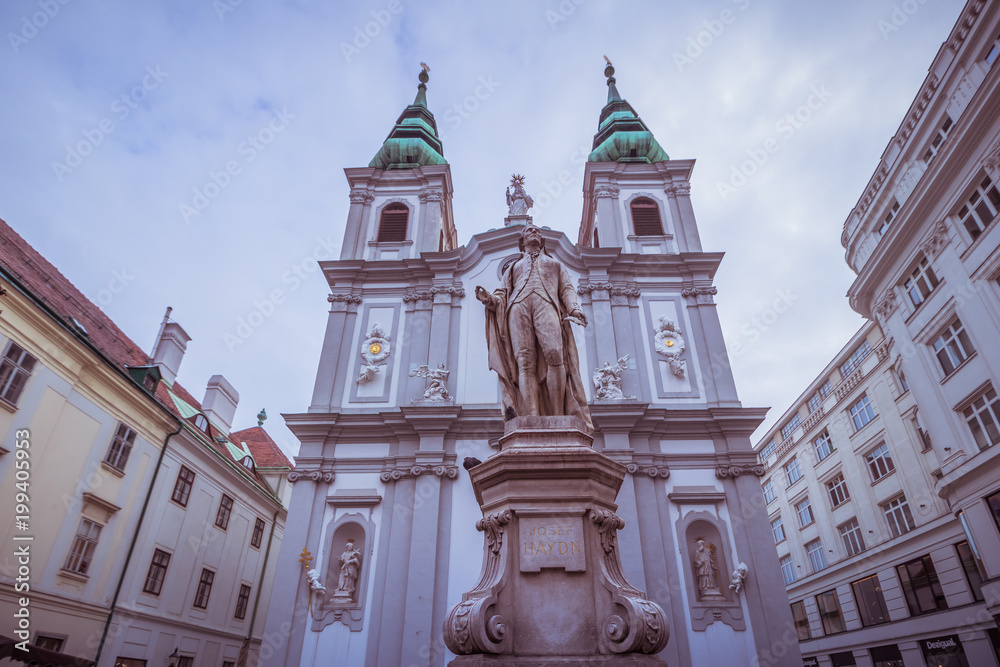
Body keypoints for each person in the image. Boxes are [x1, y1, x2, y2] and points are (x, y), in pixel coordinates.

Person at [475, 225, 592, 429]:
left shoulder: (555, 264)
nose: (534, 233)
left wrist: (573, 309)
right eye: (530, 231)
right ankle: (532, 415)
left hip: (546, 304)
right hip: (517, 307)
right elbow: (501, 295)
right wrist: (489, 300)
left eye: (537, 231)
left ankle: (558, 415)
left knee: (555, 354)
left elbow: (566, 288)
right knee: (524, 361)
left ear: (543, 240)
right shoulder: (513, 268)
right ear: (522, 242)